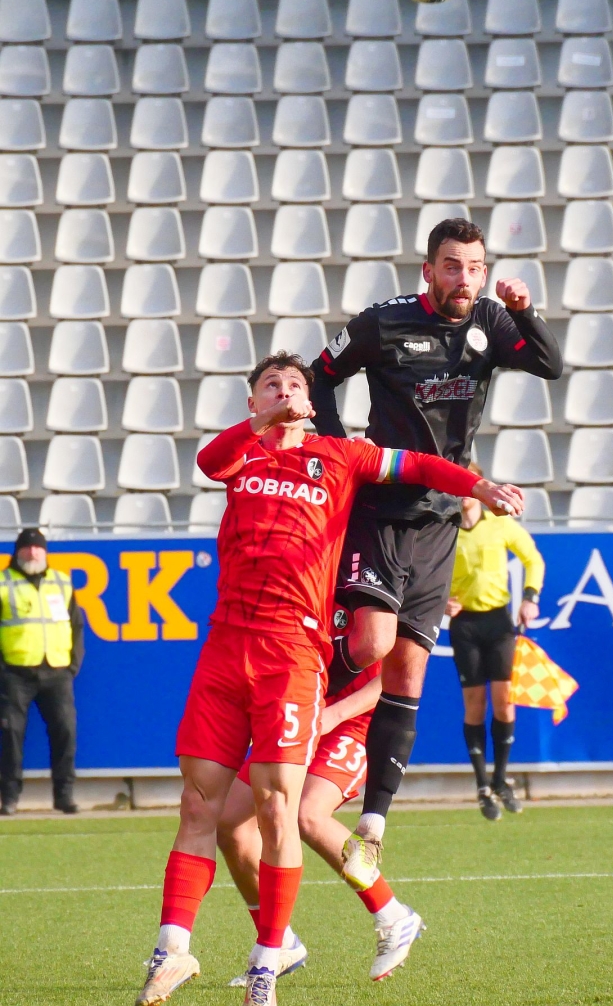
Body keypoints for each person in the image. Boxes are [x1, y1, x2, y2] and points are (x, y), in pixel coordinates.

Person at [135, 351, 522, 1006]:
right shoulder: (242, 455)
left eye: (296, 384)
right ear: (253, 402)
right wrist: (261, 426)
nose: (285, 391)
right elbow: (208, 462)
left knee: (285, 810)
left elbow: (414, 465)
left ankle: (283, 954)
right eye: (271, 385)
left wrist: (475, 486)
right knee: (204, 807)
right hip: (227, 647)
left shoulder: (341, 460)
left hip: (296, 659)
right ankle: (175, 948)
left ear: (313, 404)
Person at [309, 217, 563, 889]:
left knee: (410, 674)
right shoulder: (383, 321)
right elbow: (319, 376)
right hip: (381, 508)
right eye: (453, 266)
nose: (465, 278)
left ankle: (372, 825)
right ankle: (305, 714)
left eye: (475, 267)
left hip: (442, 519)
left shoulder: (490, 321)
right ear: (428, 270)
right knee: (370, 642)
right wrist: (339, 447)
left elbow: (551, 365)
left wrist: (524, 310)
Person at [217, 620, 423, 985]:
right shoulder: (303, 593)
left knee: (307, 813)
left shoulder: (375, 591)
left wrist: (334, 715)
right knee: (230, 823)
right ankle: (279, 942)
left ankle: (393, 915)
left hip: (356, 725)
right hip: (301, 716)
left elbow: (397, 674)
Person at [445, 464, 545, 821]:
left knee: (504, 703)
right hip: (465, 625)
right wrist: (441, 600)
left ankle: (502, 779)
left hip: (498, 622)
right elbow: (420, 570)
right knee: (474, 705)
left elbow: (533, 559)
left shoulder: (499, 524)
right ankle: (482, 785)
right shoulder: (444, 528)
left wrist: (530, 597)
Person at [0, 527, 84, 816]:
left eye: (39, 548)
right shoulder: (3, 582)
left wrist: (73, 664)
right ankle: (9, 798)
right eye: (27, 547)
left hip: (57, 671)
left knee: (65, 731)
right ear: (17, 552)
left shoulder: (61, 582)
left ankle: (64, 796)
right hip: (15, 673)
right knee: (12, 735)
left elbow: (76, 625)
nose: (33, 553)